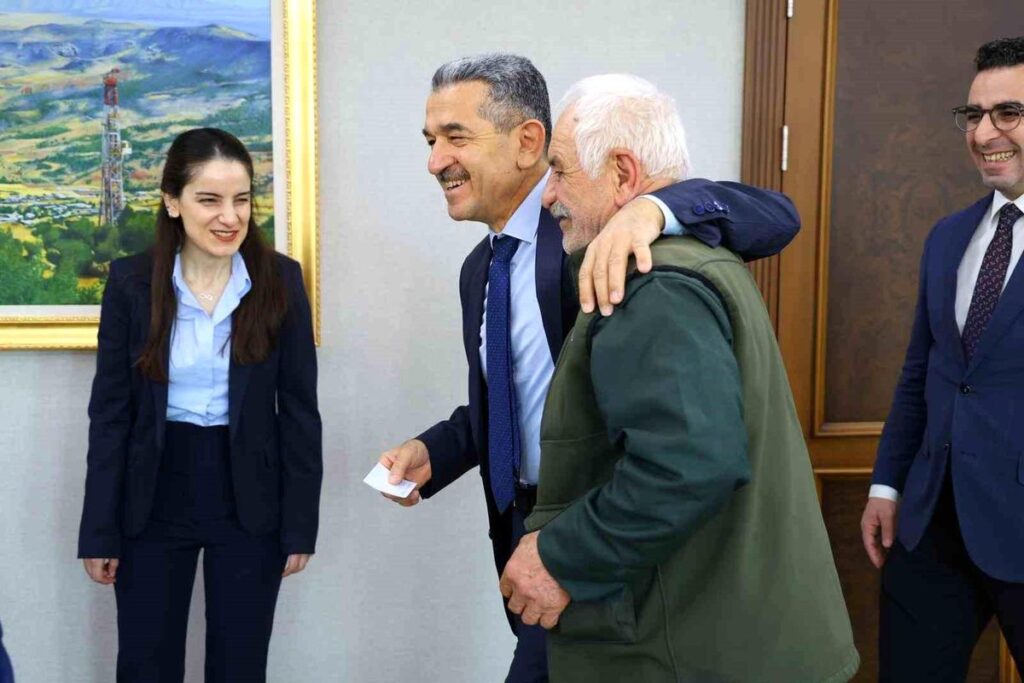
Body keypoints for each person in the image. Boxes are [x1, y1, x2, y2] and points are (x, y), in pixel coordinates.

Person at [377, 54, 803, 682]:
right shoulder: (480, 269)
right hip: (528, 536)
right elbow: (527, 394)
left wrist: (654, 209)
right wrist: (436, 450)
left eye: (455, 137)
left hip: (604, 541)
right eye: (430, 141)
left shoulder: (601, 233)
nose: (435, 161)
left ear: (528, 142)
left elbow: (775, 215)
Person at [498, 74, 859, 682]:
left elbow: (688, 466)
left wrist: (558, 555)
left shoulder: (654, 284)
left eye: (558, 170)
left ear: (622, 173)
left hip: (688, 651)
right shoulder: (690, 254)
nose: (548, 193)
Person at [77, 128, 322, 682]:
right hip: (152, 493)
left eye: (241, 200)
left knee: (240, 666)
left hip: (250, 497)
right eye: (209, 200)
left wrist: (299, 524)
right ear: (172, 202)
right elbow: (110, 414)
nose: (229, 217)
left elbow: (299, 412)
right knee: (146, 664)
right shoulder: (130, 282)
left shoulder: (281, 280)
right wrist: (100, 529)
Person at [861, 36, 1024, 681]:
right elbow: (921, 374)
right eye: (974, 115)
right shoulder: (950, 236)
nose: (984, 134)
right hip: (931, 523)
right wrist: (887, 483)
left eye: (1008, 113)